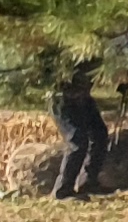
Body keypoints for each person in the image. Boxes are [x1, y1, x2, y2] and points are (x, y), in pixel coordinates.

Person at [44, 64, 110, 201]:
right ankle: (63, 191)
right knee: (77, 141)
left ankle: (88, 182)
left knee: (100, 135)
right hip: (63, 99)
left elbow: (104, 72)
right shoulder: (68, 58)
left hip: (83, 99)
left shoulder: (98, 56)